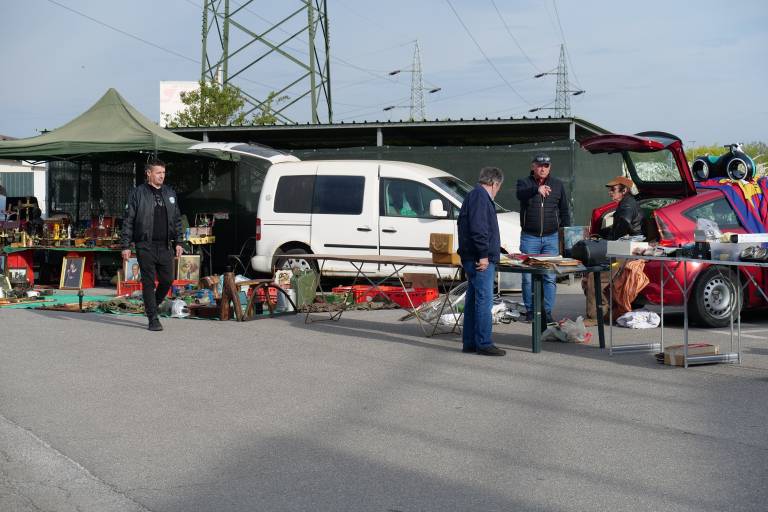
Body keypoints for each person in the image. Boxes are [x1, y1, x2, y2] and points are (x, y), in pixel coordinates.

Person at [121, 159, 183, 331]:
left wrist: (179, 241)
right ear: (149, 173)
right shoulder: (137, 193)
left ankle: (152, 305)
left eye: (163, 173)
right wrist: (125, 245)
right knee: (148, 282)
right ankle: (153, 319)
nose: (162, 176)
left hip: (165, 245)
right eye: (158, 173)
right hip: (145, 245)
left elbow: (177, 219)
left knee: (167, 280)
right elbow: (128, 220)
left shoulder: (169, 193)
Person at [516, 153, 571, 323]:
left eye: (546, 166)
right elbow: (520, 195)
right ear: (533, 166)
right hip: (529, 237)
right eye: (539, 165)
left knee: (550, 276)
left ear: (550, 167)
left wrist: (566, 235)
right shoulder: (524, 183)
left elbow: (564, 211)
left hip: (550, 238)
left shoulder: (557, 184)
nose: (543, 168)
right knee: (527, 277)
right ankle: (530, 310)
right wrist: (536, 190)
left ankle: (546, 312)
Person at [457, 166, 506, 356]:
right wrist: (483, 255)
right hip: (479, 258)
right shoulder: (480, 197)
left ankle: (470, 342)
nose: (498, 191)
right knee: (484, 300)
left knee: (473, 300)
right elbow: (479, 228)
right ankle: (484, 343)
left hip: (472, 256)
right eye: (499, 187)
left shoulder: (474, 195)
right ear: (494, 183)